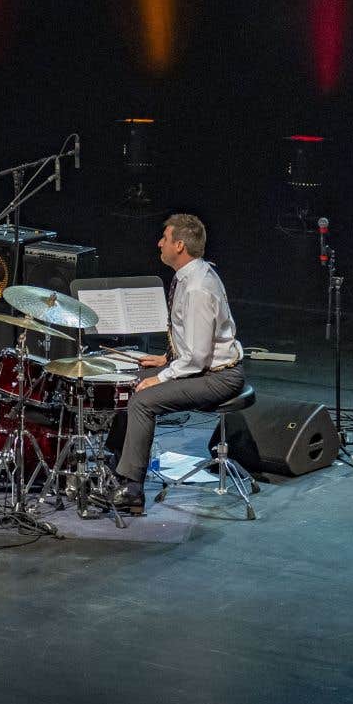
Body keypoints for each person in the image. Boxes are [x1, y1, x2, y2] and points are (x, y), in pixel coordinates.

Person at [103, 213, 246, 516]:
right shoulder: (190, 276)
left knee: (143, 400)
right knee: (131, 378)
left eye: (164, 238)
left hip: (219, 376)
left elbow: (196, 358)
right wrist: (166, 360)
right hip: (202, 367)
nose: (159, 243)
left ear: (179, 245)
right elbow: (194, 343)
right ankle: (115, 461)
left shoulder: (196, 288)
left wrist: (163, 376)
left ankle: (131, 487)